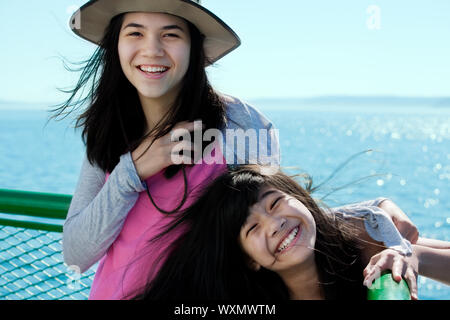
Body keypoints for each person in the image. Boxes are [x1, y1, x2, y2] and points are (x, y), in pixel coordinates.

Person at [55, 0, 418, 300]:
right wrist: (132, 171)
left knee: (427, 251)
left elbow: (277, 220)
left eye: (171, 33)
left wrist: (379, 219)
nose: (152, 49)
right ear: (116, 44)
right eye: (135, 32)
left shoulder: (241, 123)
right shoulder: (108, 133)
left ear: (195, 46)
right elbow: (76, 254)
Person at [136, 165, 450, 300]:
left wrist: (411, 257)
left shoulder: (363, 246)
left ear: (301, 201)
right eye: (253, 228)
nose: (274, 224)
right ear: (250, 261)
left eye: (275, 204)